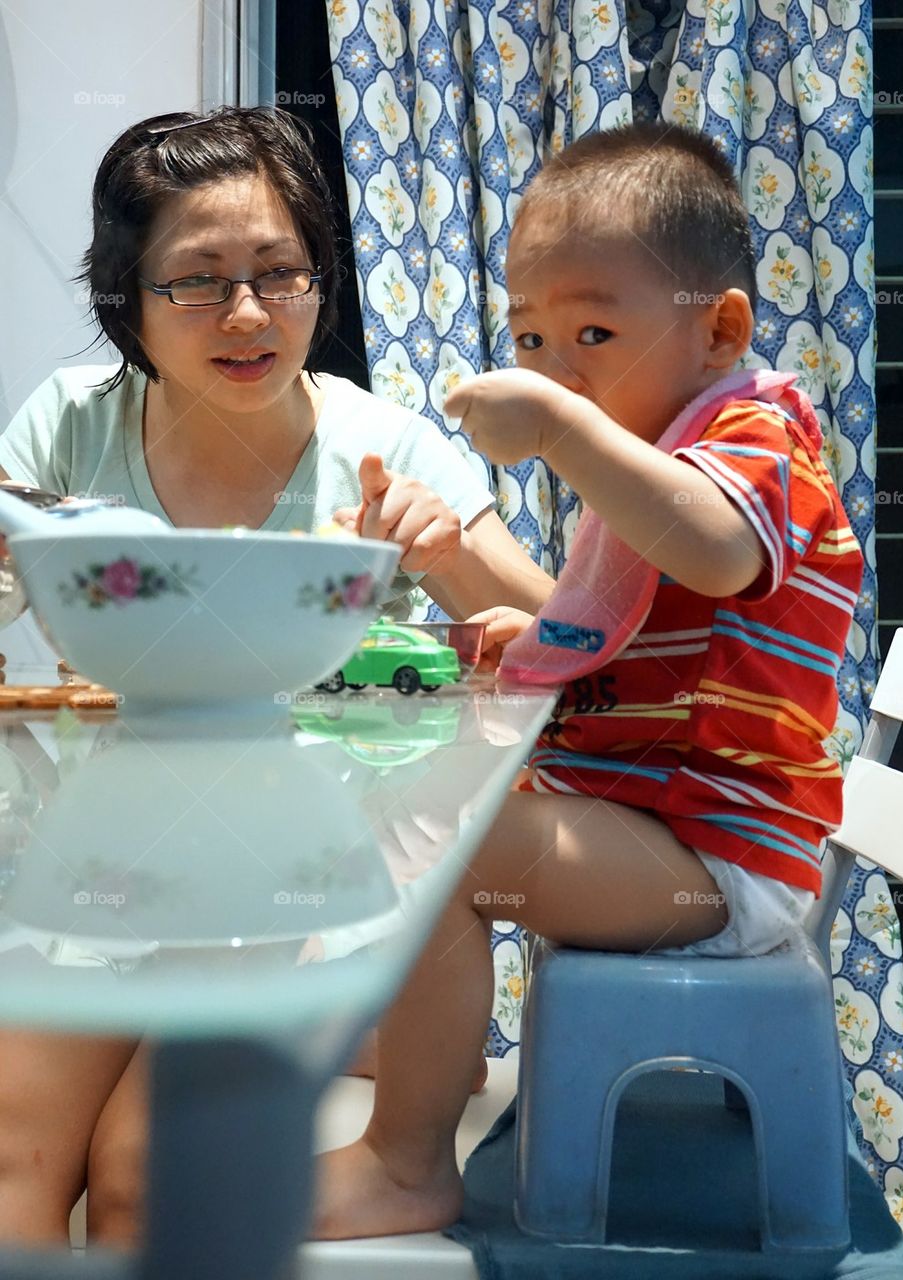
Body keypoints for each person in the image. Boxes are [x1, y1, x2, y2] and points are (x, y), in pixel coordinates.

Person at [0, 106, 552, 1248]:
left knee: (147, 1179)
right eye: (196, 280)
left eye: (279, 273)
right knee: (12, 1154)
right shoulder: (68, 429)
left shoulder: (383, 446)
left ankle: (351, 1032)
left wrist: (444, 551)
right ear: (127, 299)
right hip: (108, 886)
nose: (247, 313)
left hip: (305, 899)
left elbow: (563, 643)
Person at [313, 122, 864, 1239]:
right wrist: (528, 631)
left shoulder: (755, 432)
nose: (554, 366)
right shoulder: (662, 451)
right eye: (528, 337)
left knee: (444, 834)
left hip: (719, 861)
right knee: (405, 769)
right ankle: (424, 1032)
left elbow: (712, 549)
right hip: (658, 828)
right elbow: (634, 641)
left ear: (718, 330)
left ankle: (406, 1157)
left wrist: (557, 425)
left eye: (592, 332)